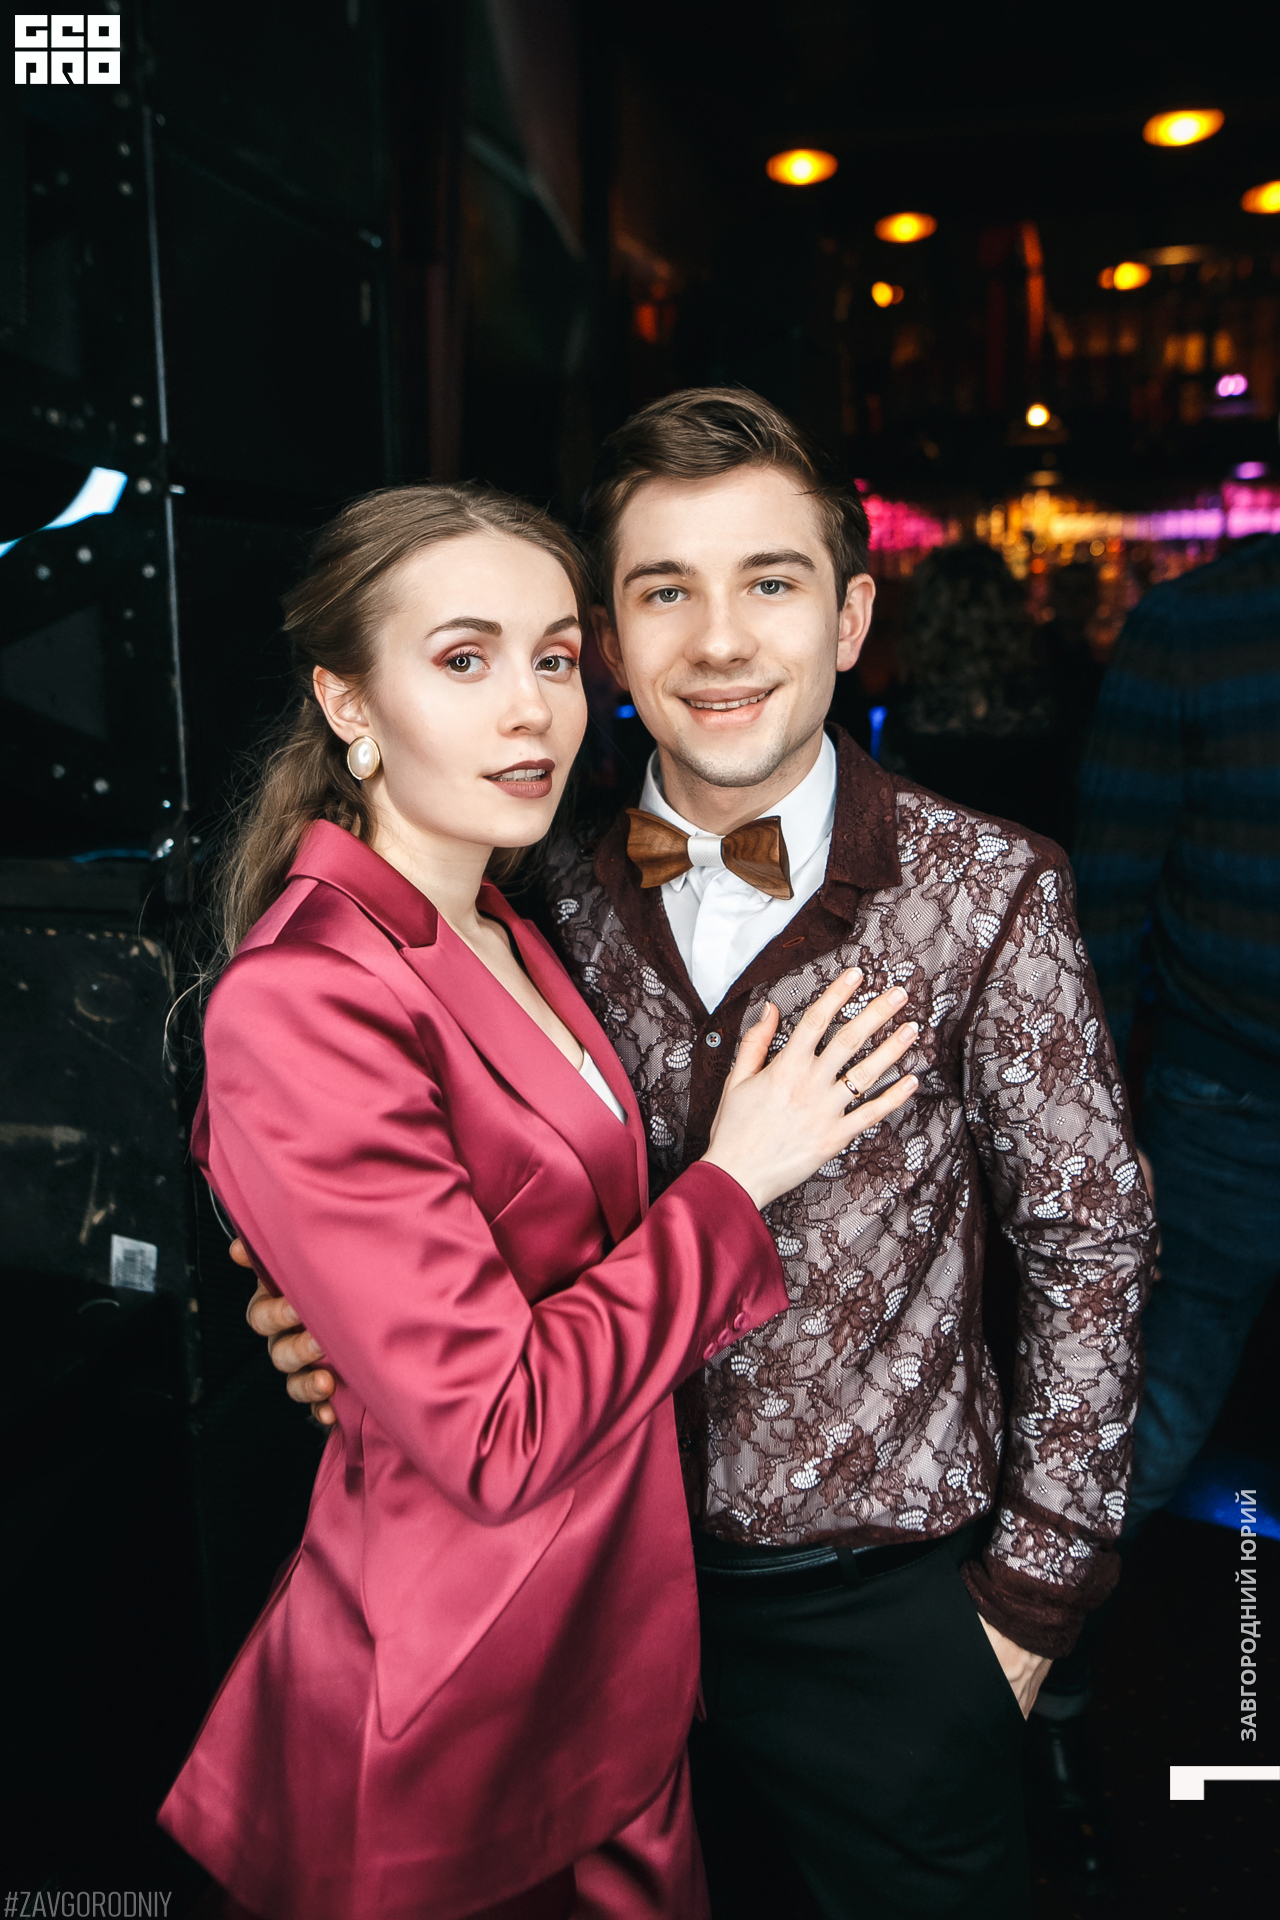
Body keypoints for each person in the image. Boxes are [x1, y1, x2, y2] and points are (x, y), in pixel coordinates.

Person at [256, 392, 1157, 1920]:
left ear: (851, 619)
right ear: (611, 643)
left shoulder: (988, 888)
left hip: (883, 1616)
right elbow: (414, 1187)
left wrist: (1027, 1605)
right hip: (584, 1593)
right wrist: (319, 1317)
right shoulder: (533, 892)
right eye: (666, 591)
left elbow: (1092, 1246)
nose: (721, 641)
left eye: (771, 582)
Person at [158, 482, 920, 1920]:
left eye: (556, 658)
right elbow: (496, 1433)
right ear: (347, 701)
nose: (532, 711)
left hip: (607, 1657)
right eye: (464, 659)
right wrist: (736, 1180)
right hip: (466, 1698)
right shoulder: (305, 992)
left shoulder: (498, 917)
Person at [1028, 531, 1280, 1847]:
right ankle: (1041, 1702)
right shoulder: (1191, 631)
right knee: (1144, 1429)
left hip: (1216, 1086)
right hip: (1222, 1103)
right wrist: (1096, 1143)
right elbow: (1104, 907)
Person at [880, 543, 1077, 846]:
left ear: (926, 618)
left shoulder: (911, 714)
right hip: (1031, 868)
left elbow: (896, 828)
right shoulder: (1050, 704)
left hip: (941, 870)